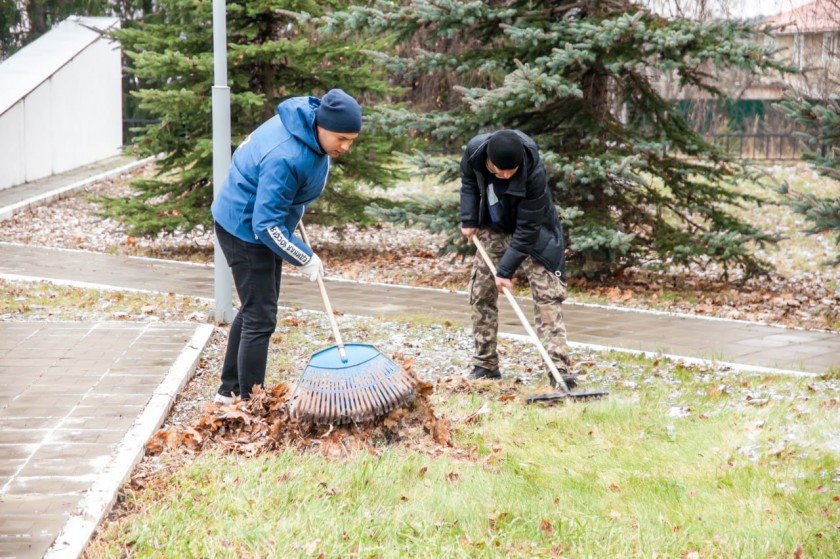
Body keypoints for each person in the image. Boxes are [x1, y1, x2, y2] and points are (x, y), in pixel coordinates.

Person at [210, 89, 362, 403]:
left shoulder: (307, 130)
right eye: (341, 138)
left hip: (256, 222)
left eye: (352, 139)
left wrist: (294, 209)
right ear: (321, 126)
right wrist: (303, 257)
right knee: (261, 316)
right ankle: (250, 402)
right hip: (246, 231)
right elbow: (265, 225)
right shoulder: (286, 155)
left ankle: (229, 391)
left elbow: (284, 195)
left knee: (254, 308)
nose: (346, 147)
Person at [459, 129, 576, 388]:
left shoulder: (533, 173)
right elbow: (468, 182)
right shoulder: (475, 153)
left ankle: (559, 370)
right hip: (494, 227)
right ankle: (485, 365)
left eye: (512, 171)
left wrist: (505, 271)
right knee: (480, 293)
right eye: (501, 172)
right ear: (489, 161)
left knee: (548, 297)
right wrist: (469, 219)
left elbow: (526, 232)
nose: (507, 176)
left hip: (536, 233)